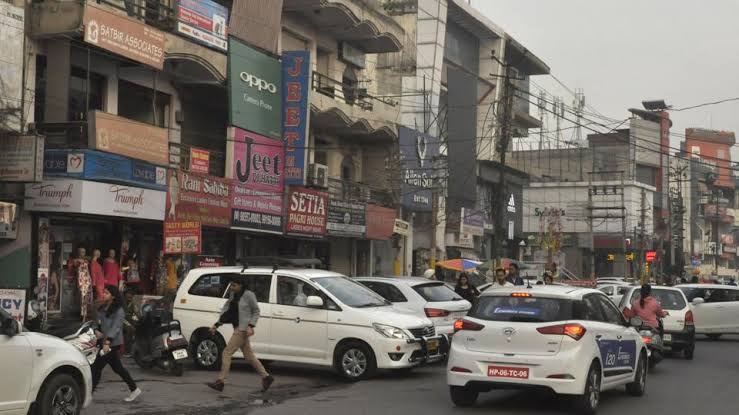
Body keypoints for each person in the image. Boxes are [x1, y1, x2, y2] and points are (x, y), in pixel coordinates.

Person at [207, 279, 274, 393]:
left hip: (242, 329)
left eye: (233, 285)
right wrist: (217, 324)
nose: (231, 287)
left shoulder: (249, 295)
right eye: (231, 285)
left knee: (226, 353)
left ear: (240, 285)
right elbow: (228, 312)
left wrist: (251, 325)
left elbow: (256, 311)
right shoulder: (234, 295)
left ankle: (220, 381)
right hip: (237, 327)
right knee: (249, 356)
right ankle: (266, 377)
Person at [91, 285, 141, 402]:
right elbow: (97, 323)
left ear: (113, 296)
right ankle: (134, 389)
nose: (104, 294)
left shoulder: (119, 310)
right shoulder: (102, 308)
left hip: (112, 343)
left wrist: (107, 342)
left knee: (96, 367)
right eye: (104, 292)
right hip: (103, 341)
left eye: (107, 293)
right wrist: (96, 330)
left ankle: (88, 394)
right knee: (118, 368)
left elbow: (116, 327)